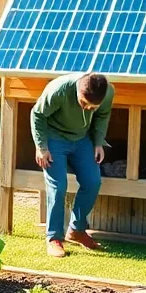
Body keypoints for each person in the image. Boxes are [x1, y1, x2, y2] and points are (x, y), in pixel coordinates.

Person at [32, 72, 114, 258]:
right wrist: (41, 147)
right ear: (78, 91)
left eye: (91, 107)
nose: (86, 109)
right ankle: (54, 238)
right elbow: (37, 114)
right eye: (83, 103)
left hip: (82, 139)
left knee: (93, 181)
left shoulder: (108, 92)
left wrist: (98, 142)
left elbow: (102, 116)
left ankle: (76, 230)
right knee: (58, 186)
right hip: (54, 138)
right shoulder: (59, 89)